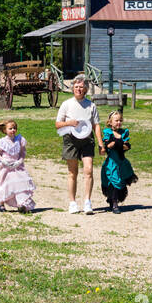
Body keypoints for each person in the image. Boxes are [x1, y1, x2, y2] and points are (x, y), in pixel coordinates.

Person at [55, 76, 99, 215]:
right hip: (71, 139)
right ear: (72, 88)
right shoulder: (66, 104)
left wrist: (101, 143)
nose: (79, 89)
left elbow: (96, 125)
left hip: (87, 140)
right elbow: (57, 124)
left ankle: (87, 201)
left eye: (81, 87)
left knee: (88, 170)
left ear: (85, 89)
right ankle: (72, 202)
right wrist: (69, 123)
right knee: (72, 172)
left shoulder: (91, 105)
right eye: (76, 87)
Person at [0, 119, 36, 213]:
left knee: (21, 183)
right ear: (5, 130)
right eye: (10, 128)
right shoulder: (2, 142)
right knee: (5, 184)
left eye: (14, 128)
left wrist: (19, 161)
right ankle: (1, 203)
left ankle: (22, 203)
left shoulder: (19, 140)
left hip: (17, 166)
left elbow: (22, 153)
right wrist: (3, 161)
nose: (13, 130)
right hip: (6, 167)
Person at [99, 108, 137, 213]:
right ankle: (114, 203)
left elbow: (126, 147)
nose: (119, 122)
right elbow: (109, 146)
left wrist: (118, 143)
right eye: (116, 120)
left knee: (120, 182)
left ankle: (113, 200)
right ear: (110, 122)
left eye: (120, 120)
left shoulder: (124, 132)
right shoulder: (108, 132)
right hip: (112, 162)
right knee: (113, 181)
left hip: (122, 162)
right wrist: (118, 143)